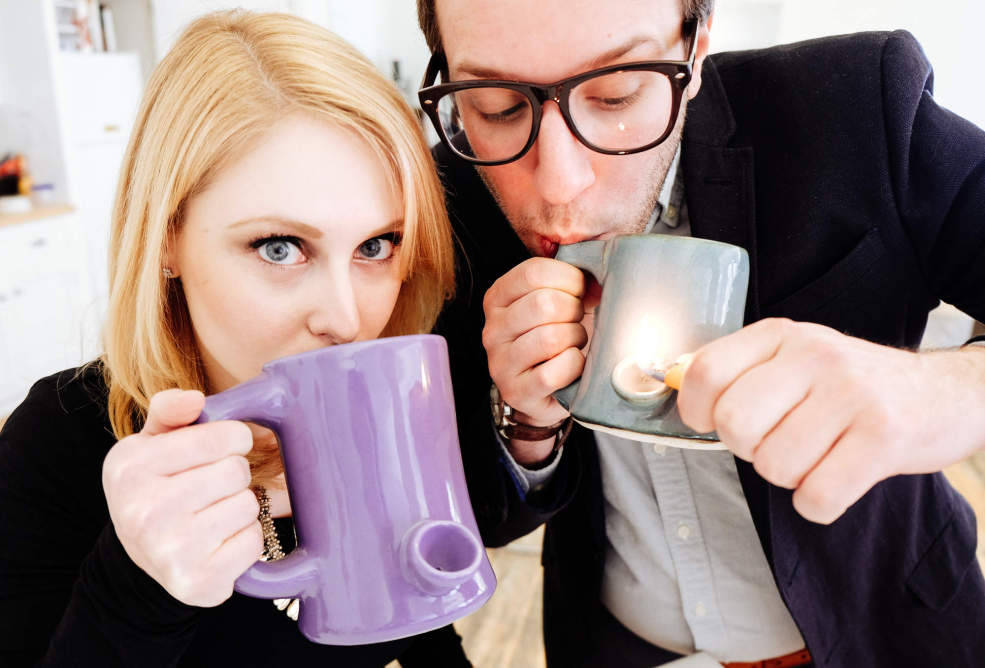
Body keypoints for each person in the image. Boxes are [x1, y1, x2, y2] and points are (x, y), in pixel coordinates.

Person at [416, 0, 985, 666]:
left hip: (889, 628)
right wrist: (528, 425)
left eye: (616, 93)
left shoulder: (857, 102)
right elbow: (490, 517)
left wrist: (943, 389)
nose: (559, 186)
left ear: (695, 47)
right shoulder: (446, 196)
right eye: (495, 107)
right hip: (613, 642)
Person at [0, 10, 472, 667]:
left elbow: (418, 615)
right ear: (166, 237)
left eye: (376, 244)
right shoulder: (56, 445)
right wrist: (138, 584)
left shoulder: (374, 413)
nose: (346, 318)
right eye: (279, 247)